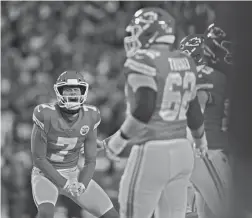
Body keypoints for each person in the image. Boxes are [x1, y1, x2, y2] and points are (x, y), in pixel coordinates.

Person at [97, 7, 208, 218]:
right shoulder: (186, 61)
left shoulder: (142, 60)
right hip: (183, 151)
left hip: (152, 151)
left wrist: (117, 142)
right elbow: (193, 110)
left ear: (149, 32)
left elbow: (145, 109)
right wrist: (200, 140)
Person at [31, 70, 119, 218]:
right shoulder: (45, 114)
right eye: (68, 90)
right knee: (46, 214)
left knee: (111, 216)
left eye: (75, 90)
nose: (72, 94)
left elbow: (90, 161)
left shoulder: (91, 115)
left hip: (73, 174)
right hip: (45, 175)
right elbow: (39, 159)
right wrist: (64, 183)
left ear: (83, 92)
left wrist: (82, 184)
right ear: (59, 92)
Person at [180, 24, 233, 218]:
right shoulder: (206, 74)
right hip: (206, 150)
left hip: (196, 150)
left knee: (201, 212)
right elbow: (197, 108)